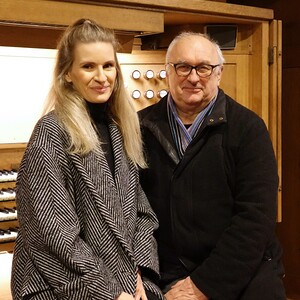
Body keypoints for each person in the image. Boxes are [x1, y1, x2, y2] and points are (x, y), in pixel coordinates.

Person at [11, 18, 164, 300]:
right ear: (67, 73)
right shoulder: (52, 131)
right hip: (65, 286)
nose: (102, 76)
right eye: (88, 66)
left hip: (125, 281)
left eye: (108, 66)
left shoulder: (120, 128)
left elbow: (141, 213)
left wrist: (138, 271)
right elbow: (51, 234)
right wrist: (109, 292)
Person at [139, 32, 286, 300]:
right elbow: (128, 214)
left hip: (241, 269)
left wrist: (202, 286)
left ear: (219, 73)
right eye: (183, 67)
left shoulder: (249, 129)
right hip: (164, 270)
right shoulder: (138, 128)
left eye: (204, 68)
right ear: (167, 71)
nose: (193, 77)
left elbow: (255, 220)